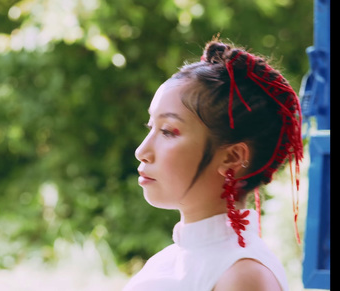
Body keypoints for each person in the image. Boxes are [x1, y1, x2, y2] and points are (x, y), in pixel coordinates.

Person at [123, 39, 303, 291]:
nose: (141, 151)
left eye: (167, 131)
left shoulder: (243, 275)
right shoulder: (166, 261)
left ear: (232, 157)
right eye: (150, 127)